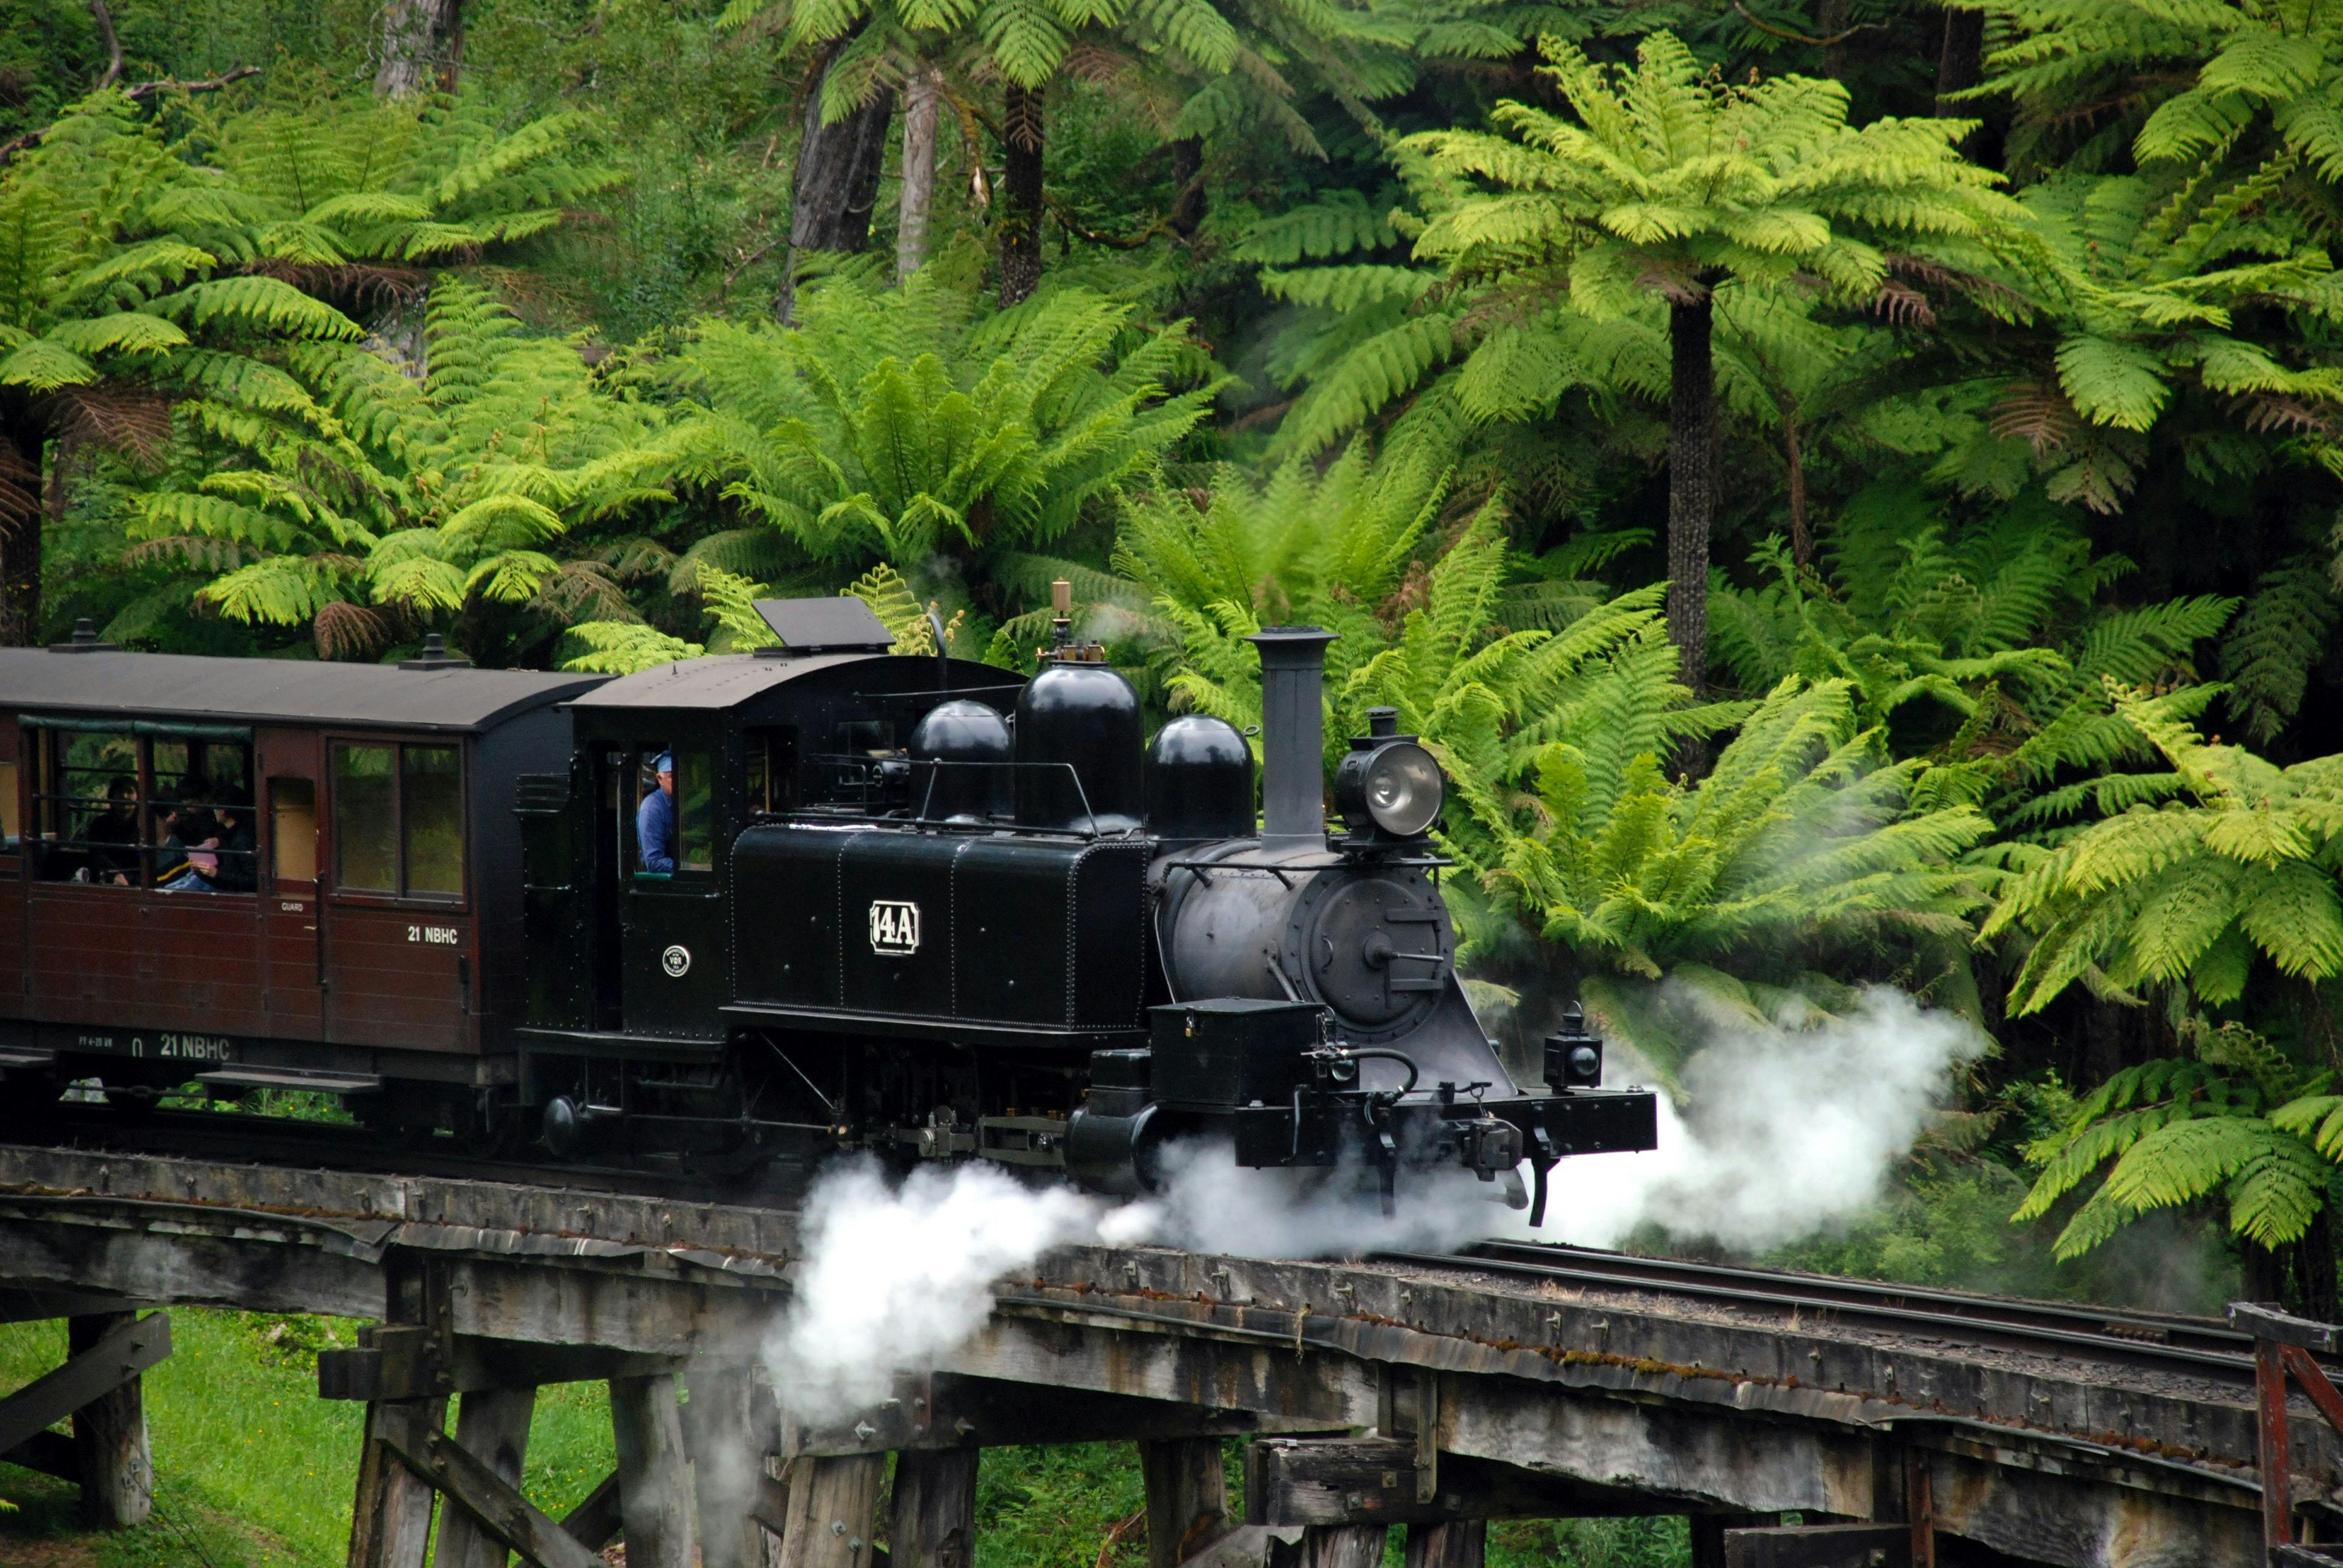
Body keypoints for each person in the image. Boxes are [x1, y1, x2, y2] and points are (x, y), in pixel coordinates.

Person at [78, 775, 140, 884]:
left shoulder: (144, 825)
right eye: (120, 792)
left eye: (130, 792)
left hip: (137, 877)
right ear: (111, 797)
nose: (124, 796)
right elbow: (97, 854)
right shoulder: (100, 823)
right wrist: (115, 874)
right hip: (106, 875)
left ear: (138, 796)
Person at [636, 751, 676, 874]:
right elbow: (654, 862)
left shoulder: (689, 801)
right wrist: (689, 867)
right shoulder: (651, 809)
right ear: (660, 779)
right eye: (672, 777)